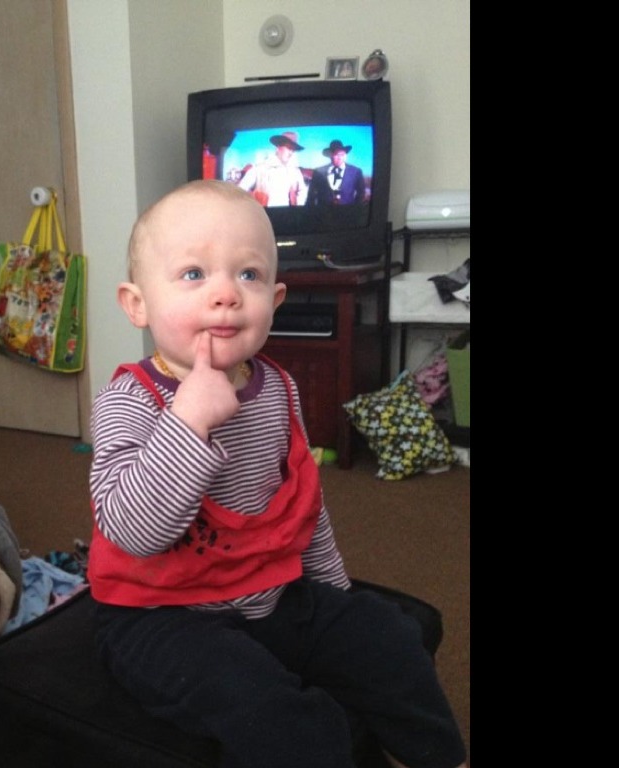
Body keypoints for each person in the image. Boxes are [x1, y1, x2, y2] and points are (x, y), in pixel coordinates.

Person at [86, 179, 468, 768]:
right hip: (159, 613)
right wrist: (188, 422)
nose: (225, 295)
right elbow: (133, 532)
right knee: (270, 712)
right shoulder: (128, 401)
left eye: (249, 275)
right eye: (193, 274)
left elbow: (301, 500)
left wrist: (331, 595)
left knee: (386, 637)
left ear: (276, 297)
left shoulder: (278, 388)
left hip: (269, 593)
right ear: (137, 304)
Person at [236, 130, 308, 207]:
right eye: (288, 148)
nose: (291, 153)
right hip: (265, 213)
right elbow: (239, 193)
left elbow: (303, 191)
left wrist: (298, 207)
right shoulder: (260, 168)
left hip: (288, 213)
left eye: (293, 149)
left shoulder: (294, 171)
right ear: (279, 146)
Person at [307, 139, 367, 206]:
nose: (340, 157)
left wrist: (355, 208)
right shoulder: (318, 172)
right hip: (324, 211)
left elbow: (361, 193)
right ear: (330, 155)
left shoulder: (355, 172)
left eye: (342, 155)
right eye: (337, 154)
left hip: (347, 211)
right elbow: (311, 195)